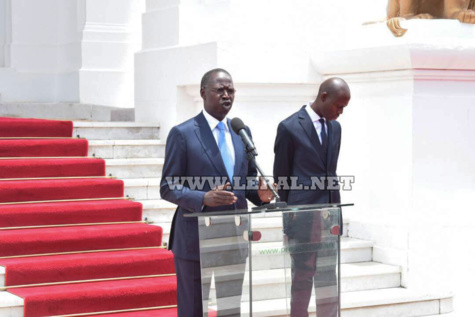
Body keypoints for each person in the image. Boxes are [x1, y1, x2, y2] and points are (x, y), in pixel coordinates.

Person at [160, 68, 274, 316]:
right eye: (220, 90)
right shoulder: (183, 133)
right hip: (195, 239)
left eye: (231, 90)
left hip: (233, 237)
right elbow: (168, 186)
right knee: (193, 310)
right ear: (203, 93)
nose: (227, 95)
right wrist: (203, 198)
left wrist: (261, 194)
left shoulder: (241, 132)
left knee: (230, 310)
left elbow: (247, 182)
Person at [273, 77, 351, 317]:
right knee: (302, 276)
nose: (341, 112)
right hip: (302, 219)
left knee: (328, 276)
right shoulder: (289, 127)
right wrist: (288, 222)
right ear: (323, 97)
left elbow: (331, 172)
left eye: (344, 108)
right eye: (339, 106)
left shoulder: (335, 127)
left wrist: (337, 215)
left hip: (329, 218)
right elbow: (281, 179)